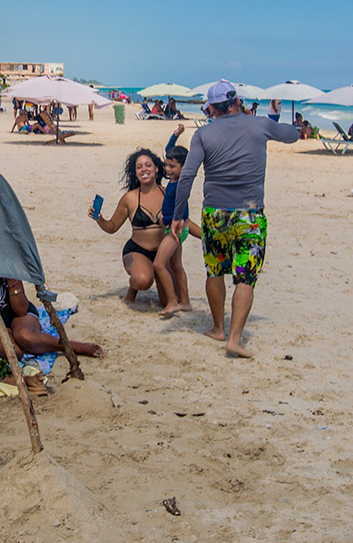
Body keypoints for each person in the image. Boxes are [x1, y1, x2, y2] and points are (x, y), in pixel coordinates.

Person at [172, 81, 299, 358]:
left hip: (215, 214)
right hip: (250, 214)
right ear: (237, 101)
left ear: (212, 109)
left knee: (215, 271)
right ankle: (234, 339)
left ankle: (218, 328)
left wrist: (178, 214)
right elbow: (293, 136)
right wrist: (276, 116)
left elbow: (187, 177)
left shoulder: (203, 134)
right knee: (246, 278)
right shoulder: (260, 125)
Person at [91, 148, 171, 306]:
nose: (144, 169)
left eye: (148, 165)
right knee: (143, 280)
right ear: (135, 173)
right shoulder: (130, 198)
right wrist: (99, 219)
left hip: (163, 253)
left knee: (167, 301)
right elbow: (112, 226)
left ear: (156, 168)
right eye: (139, 167)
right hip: (137, 250)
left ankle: (152, 271)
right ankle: (133, 287)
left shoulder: (168, 194)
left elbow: (183, 222)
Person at [0, 277, 104, 362]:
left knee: (25, 336)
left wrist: (12, 283)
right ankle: (32, 345)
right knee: (13, 350)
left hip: (18, 313)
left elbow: (21, 310)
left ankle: (69, 345)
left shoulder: (6, 269)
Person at [154, 125, 203, 316]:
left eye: (172, 167)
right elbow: (168, 150)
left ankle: (173, 301)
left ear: (185, 167)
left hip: (176, 228)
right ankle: (186, 302)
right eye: (166, 165)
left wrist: (163, 218)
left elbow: (181, 213)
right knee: (176, 266)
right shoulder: (173, 180)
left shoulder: (183, 183)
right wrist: (175, 134)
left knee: (159, 264)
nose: (167, 169)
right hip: (171, 228)